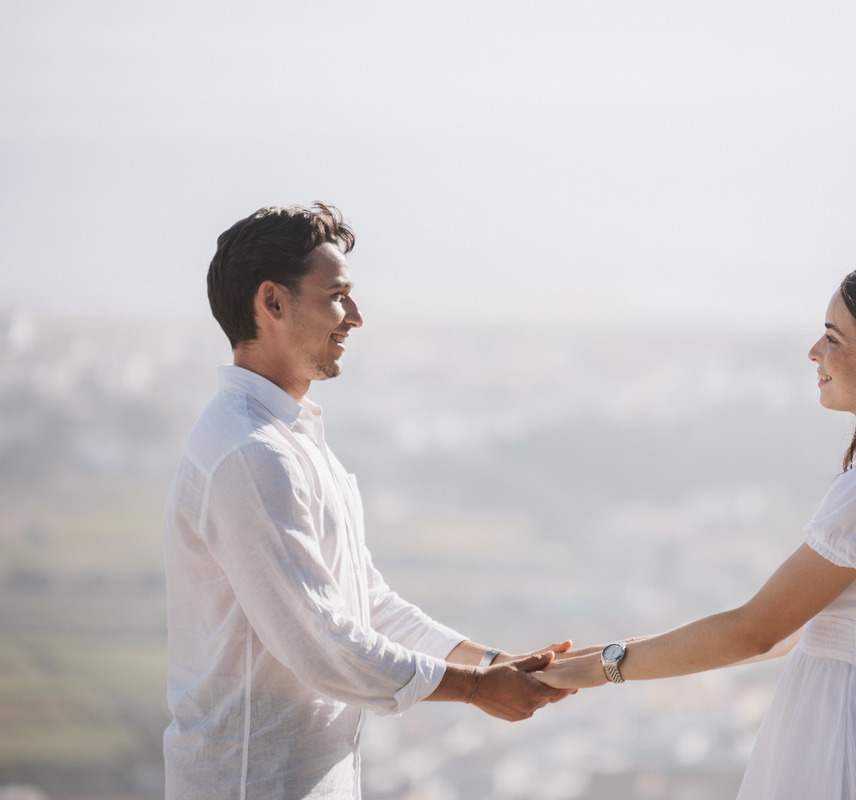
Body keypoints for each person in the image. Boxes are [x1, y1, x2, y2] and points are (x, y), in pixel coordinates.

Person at [535, 260, 856, 799]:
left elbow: (756, 630)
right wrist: (588, 659)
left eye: (833, 338)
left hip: (847, 743)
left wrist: (597, 673)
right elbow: (790, 631)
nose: (815, 353)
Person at [163, 202, 571, 799]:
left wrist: (491, 664)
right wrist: (477, 689)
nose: (355, 316)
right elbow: (323, 641)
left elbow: (367, 605)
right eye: (337, 296)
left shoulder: (291, 440)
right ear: (272, 303)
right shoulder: (250, 454)